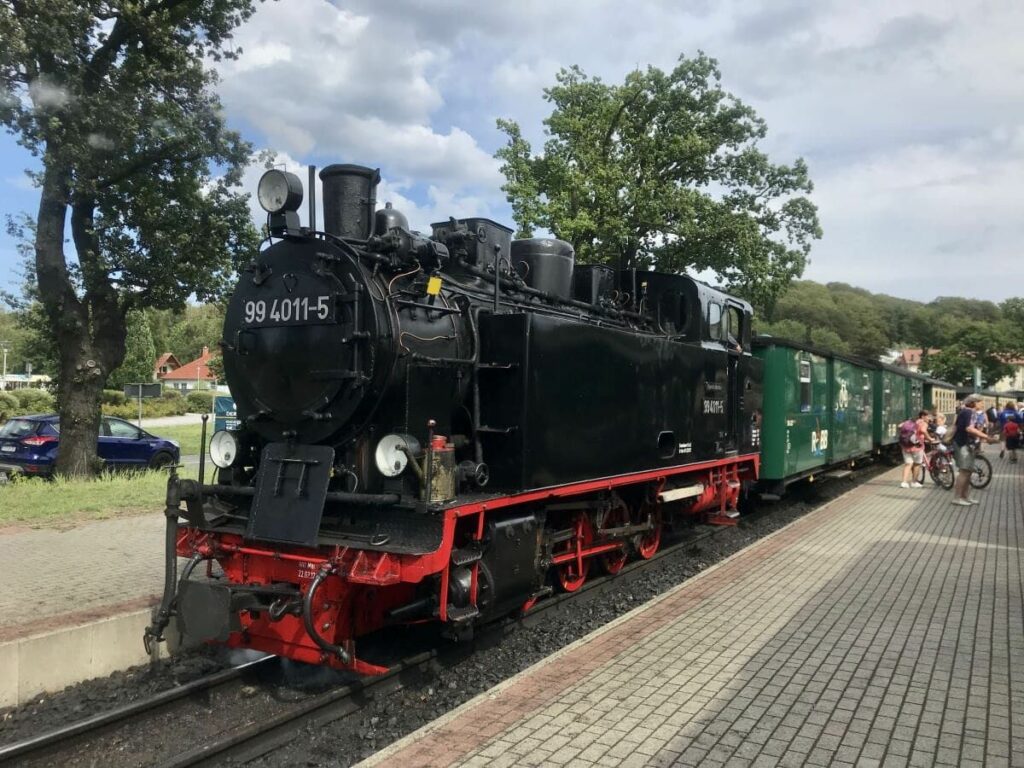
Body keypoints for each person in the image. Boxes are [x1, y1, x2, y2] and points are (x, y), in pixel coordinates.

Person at [952, 395, 997, 506]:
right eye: (981, 402)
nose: (983, 405)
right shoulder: (968, 412)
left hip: (967, 445)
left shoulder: (967, 412)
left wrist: (983, 438)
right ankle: (957, 498)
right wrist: (986, 437)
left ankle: (965, 496)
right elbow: (969, 428)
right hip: (963, 445)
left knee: (968, 471)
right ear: (974, 403)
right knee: (964, 471)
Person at [899, 410, 928, 488]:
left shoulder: (908, 422)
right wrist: (929, 438)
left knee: (908, 464)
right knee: (917, 464)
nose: (928, 418)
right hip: (917, 447)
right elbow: (923, 430)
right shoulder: (923, 423)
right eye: (927, 416)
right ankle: (914, 482)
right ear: (923, 416)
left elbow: (900, 426)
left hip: (906, 446)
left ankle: (904, 482)